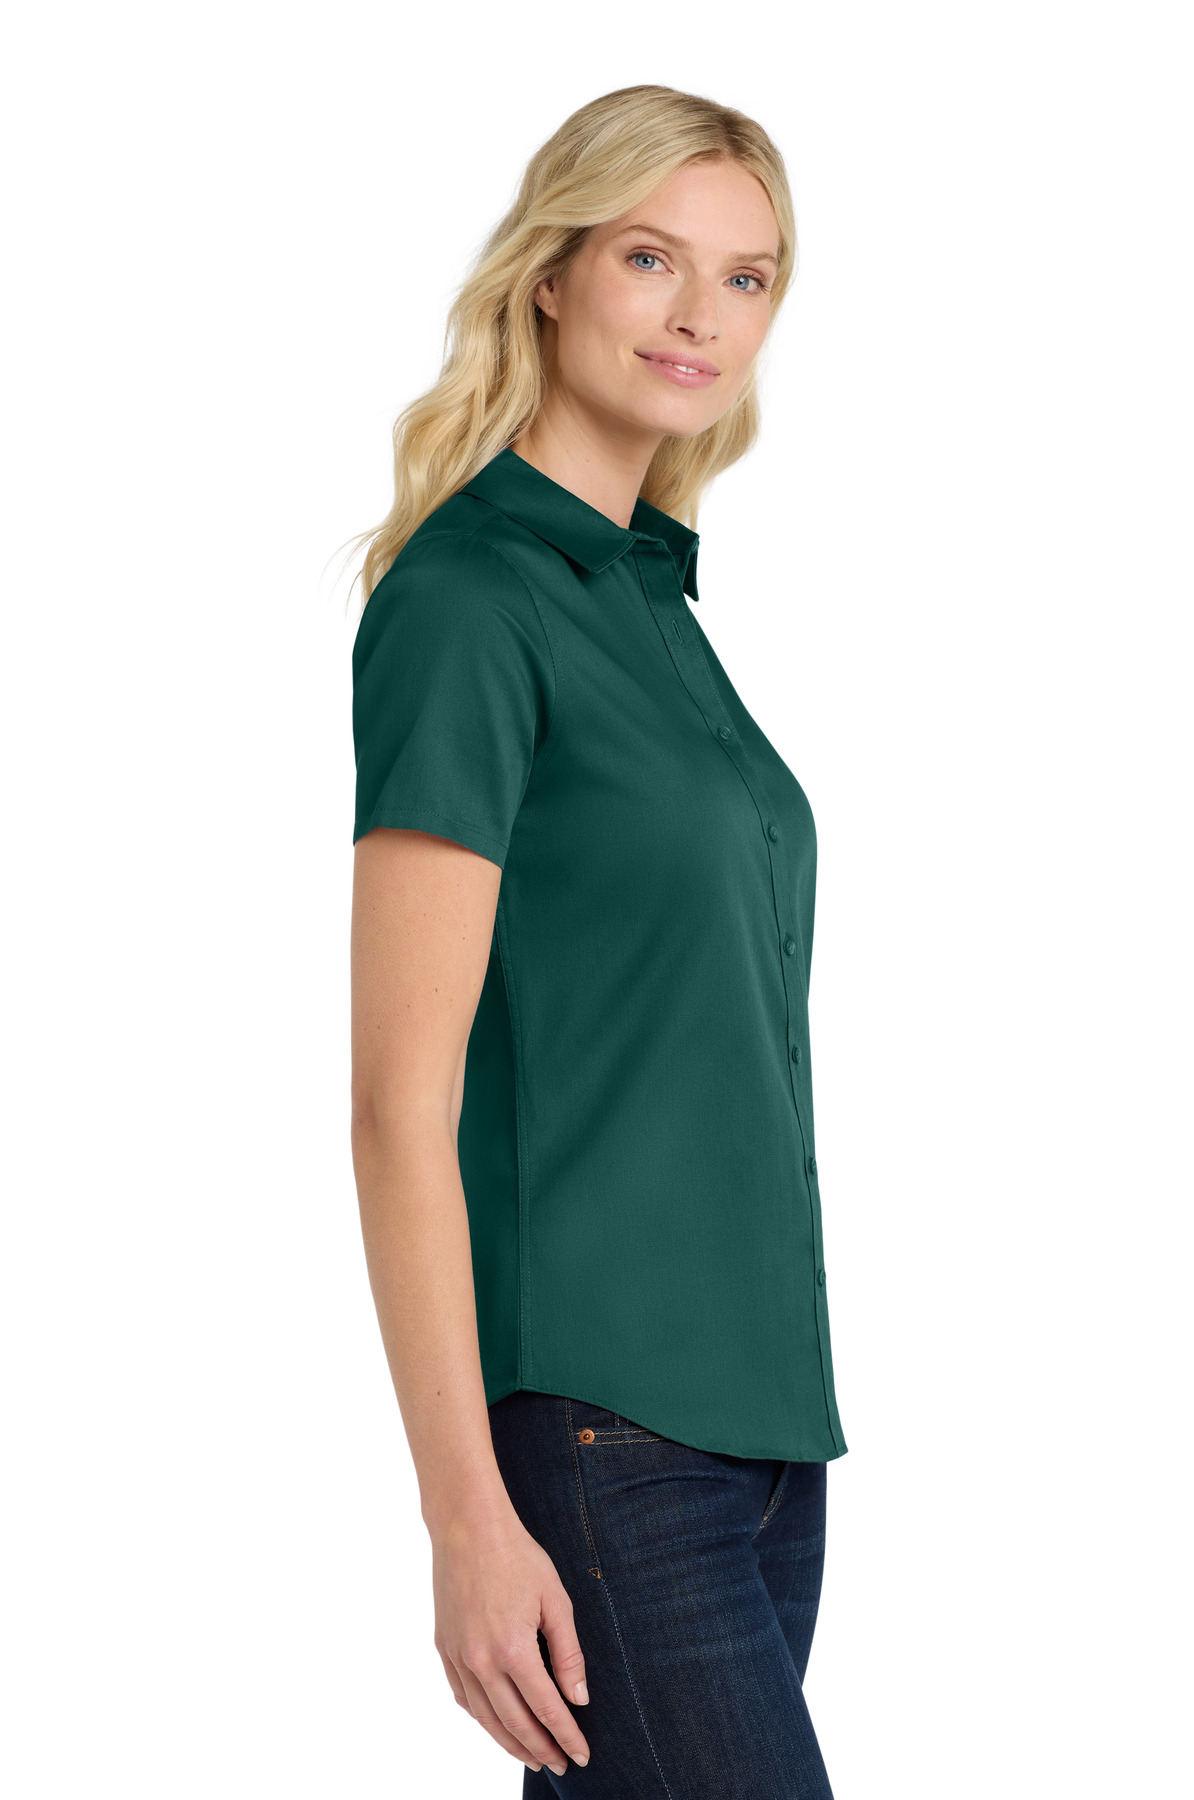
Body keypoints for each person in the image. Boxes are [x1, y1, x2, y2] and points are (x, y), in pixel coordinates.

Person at [348, 84, 849, 1798]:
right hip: (602, 1432)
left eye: (747, 277)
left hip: (767, 1441)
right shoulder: (467, 602)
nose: (702, 313)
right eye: (651, 257)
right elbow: (398, 1102)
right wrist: (464, 1519)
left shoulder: (650, 600)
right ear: (551, 273)